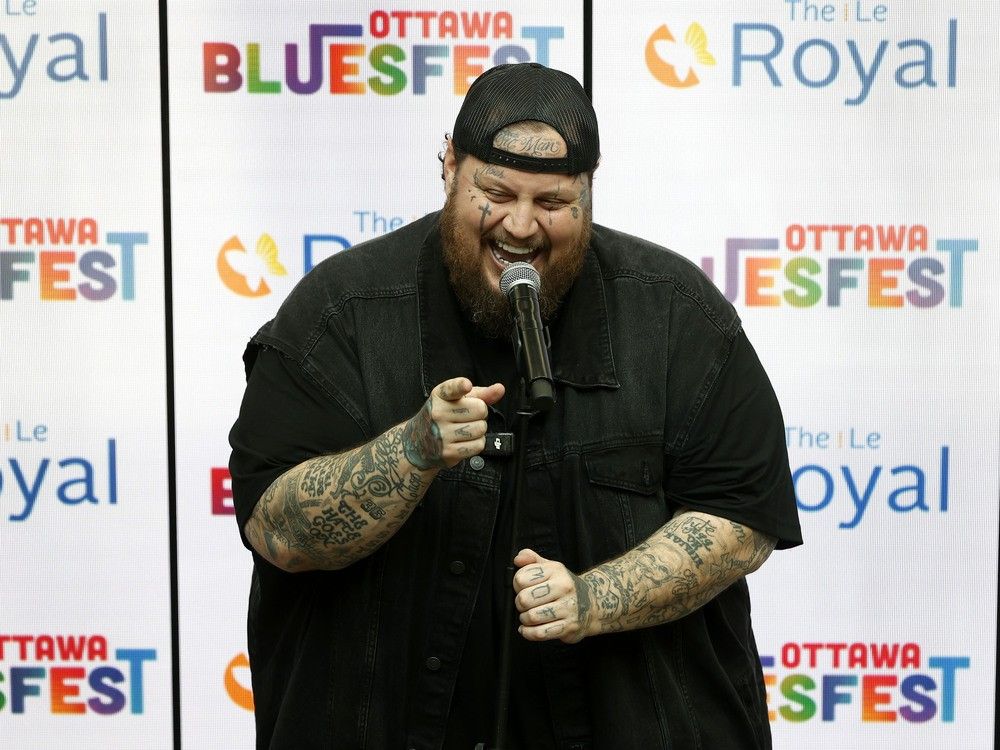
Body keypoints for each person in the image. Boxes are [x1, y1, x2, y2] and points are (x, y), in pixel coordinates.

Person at [229, 62, 802, 750]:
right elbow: (275, 529)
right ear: (449, 168)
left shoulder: (677, 313)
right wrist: (411, 452)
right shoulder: (341, 312)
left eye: (552, 201)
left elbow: (743, 518)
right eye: (496, 193)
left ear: (589, 189)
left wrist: (594, 599)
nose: (521, 225)